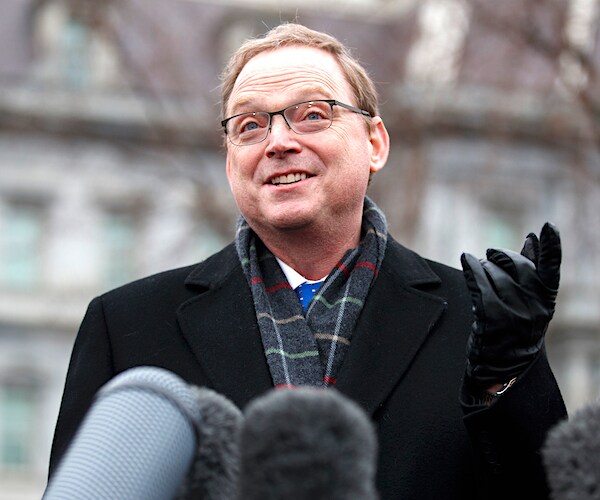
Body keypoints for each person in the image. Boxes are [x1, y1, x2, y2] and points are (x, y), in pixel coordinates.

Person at [48, 22, 567, 499]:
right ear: (230, 163)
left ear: (375, 143)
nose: (278, 142)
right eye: (249, 126)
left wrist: (505, 382)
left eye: (313, 115)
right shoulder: (128, 326)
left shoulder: (481, 323)